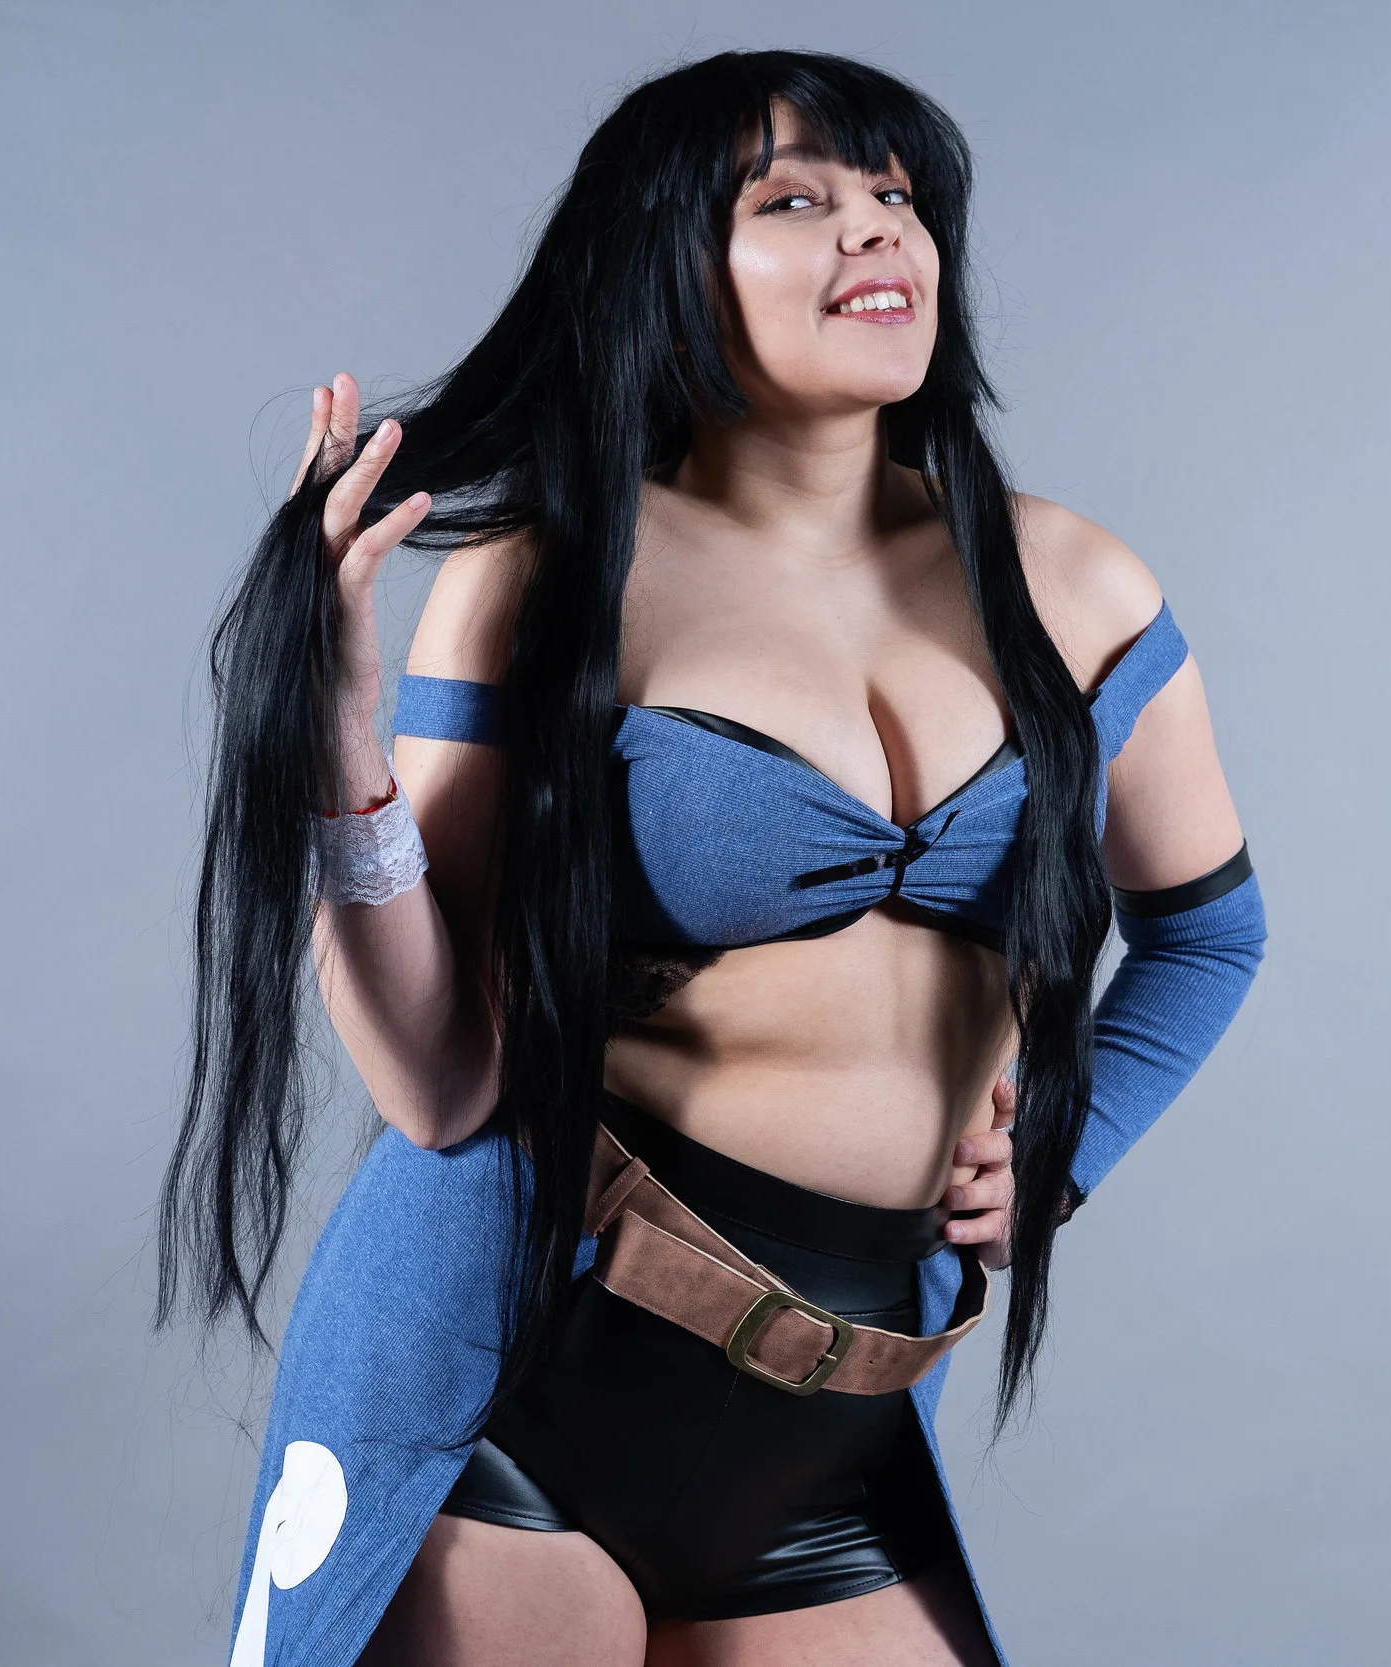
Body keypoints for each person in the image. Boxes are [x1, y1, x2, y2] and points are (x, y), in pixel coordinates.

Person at [159, 49, 1266, 1667]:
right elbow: (441, 1084)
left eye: (894, 194)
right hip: (511, 1376)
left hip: (835, 1414)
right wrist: (336, 745)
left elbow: (1210, 934)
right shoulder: (547, 577)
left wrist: (1064, 1151)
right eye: (795, 202)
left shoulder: (1075, 584)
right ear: (670, 266)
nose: (874, 230)